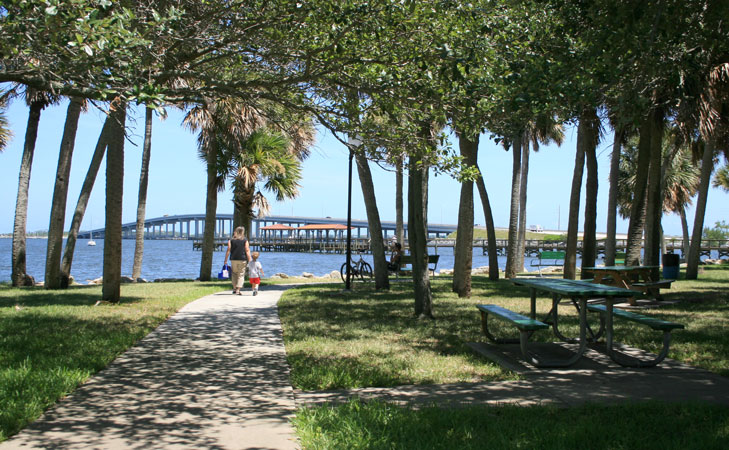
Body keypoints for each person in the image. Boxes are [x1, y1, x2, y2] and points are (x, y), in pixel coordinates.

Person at [223, 226, 251, 295]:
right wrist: (250, 260)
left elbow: (228, 250)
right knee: (241, 274)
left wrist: (225, 260)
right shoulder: (245, 240)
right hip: (242, 259)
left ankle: (234, 288)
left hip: (233, 259)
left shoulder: (231, 240)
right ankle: (238, 289)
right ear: (242, 232)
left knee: (234, 273)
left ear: (236, 231)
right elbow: (247, 250)